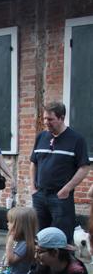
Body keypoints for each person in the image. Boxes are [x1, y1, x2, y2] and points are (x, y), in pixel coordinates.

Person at [30, 101, 89, 244]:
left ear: (62, 118)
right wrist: (33, 187)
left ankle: (65, 265)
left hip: (60, 197)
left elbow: (84, 168)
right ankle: (40, 266)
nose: (46, 122)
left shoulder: (76, 139)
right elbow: (34, 163)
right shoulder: (41, 137)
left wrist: (67, 189)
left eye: (50, 119)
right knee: (39, 235)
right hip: (39, 195)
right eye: (45, 118)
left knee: (62, 237)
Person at [1, 206, 38, 274]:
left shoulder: (24, 245)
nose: (8, 224)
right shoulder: (20, 242)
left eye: (10, 222)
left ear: (19, 226)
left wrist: (9, 242)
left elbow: (10, 261)